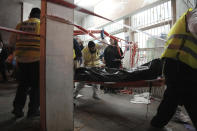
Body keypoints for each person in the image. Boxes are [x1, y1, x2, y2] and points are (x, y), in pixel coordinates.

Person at [149, 7, 197, 131]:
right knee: (186, 97)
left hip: (181, 64)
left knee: (173, 97)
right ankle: (156, 124)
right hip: (179, 64)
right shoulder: (194, 13)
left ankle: (157, 124)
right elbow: (195, 26)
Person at [9, 8, 41, 118]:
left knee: (22, 85)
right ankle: (33, 110)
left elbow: (11, 42)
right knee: (36, 87)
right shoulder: (41, 25)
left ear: (30, 15)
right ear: (40, 16)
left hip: (21, 60)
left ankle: (17, 108)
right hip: (36, 60)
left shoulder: (19, 25)